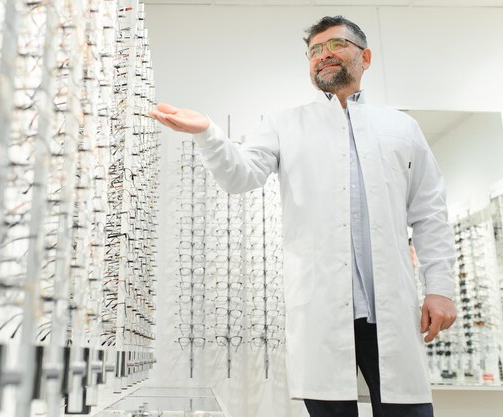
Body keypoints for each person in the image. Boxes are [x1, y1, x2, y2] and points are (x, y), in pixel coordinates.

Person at [149, 15, 457, 417]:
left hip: (391, 310)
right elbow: (239, 176)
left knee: (410, 412)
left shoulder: (401, 127)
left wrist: (441, 288)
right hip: (322, 311)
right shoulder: (283, 124)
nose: (323, 56)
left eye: (335, 46)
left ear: (364, 56)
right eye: (315, 51)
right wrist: (207, 132)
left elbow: (429, 211)